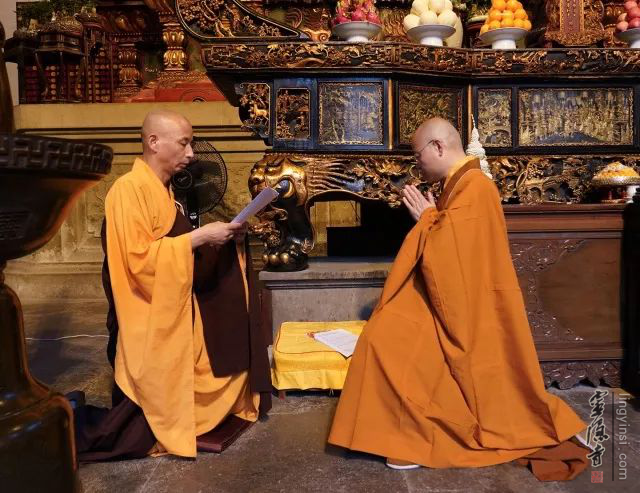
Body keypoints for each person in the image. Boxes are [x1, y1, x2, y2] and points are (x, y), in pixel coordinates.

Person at [327, 118, 590, 480]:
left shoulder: (475, 186)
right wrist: (432, 219)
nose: (415, 163)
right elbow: (449, 244)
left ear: (438, 147)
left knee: (386, 340)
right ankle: (406, 432)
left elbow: (452, 254)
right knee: (382, 334)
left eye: (417, 154)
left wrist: (427, 218)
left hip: (466, 306)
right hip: (449, 295)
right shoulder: (459, 184)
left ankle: (415, 437)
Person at [74, 109, 272, 461]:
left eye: (191, 144)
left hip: (178, 298)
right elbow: (138, 261)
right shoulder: (128, 190)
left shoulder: (166, 193)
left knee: (227, 323)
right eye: (184, 143)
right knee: (127, 436)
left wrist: (227, 239)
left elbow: (177, 251)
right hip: (148, 310)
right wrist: (199, 237)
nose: (191, 153)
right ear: (154, 142)